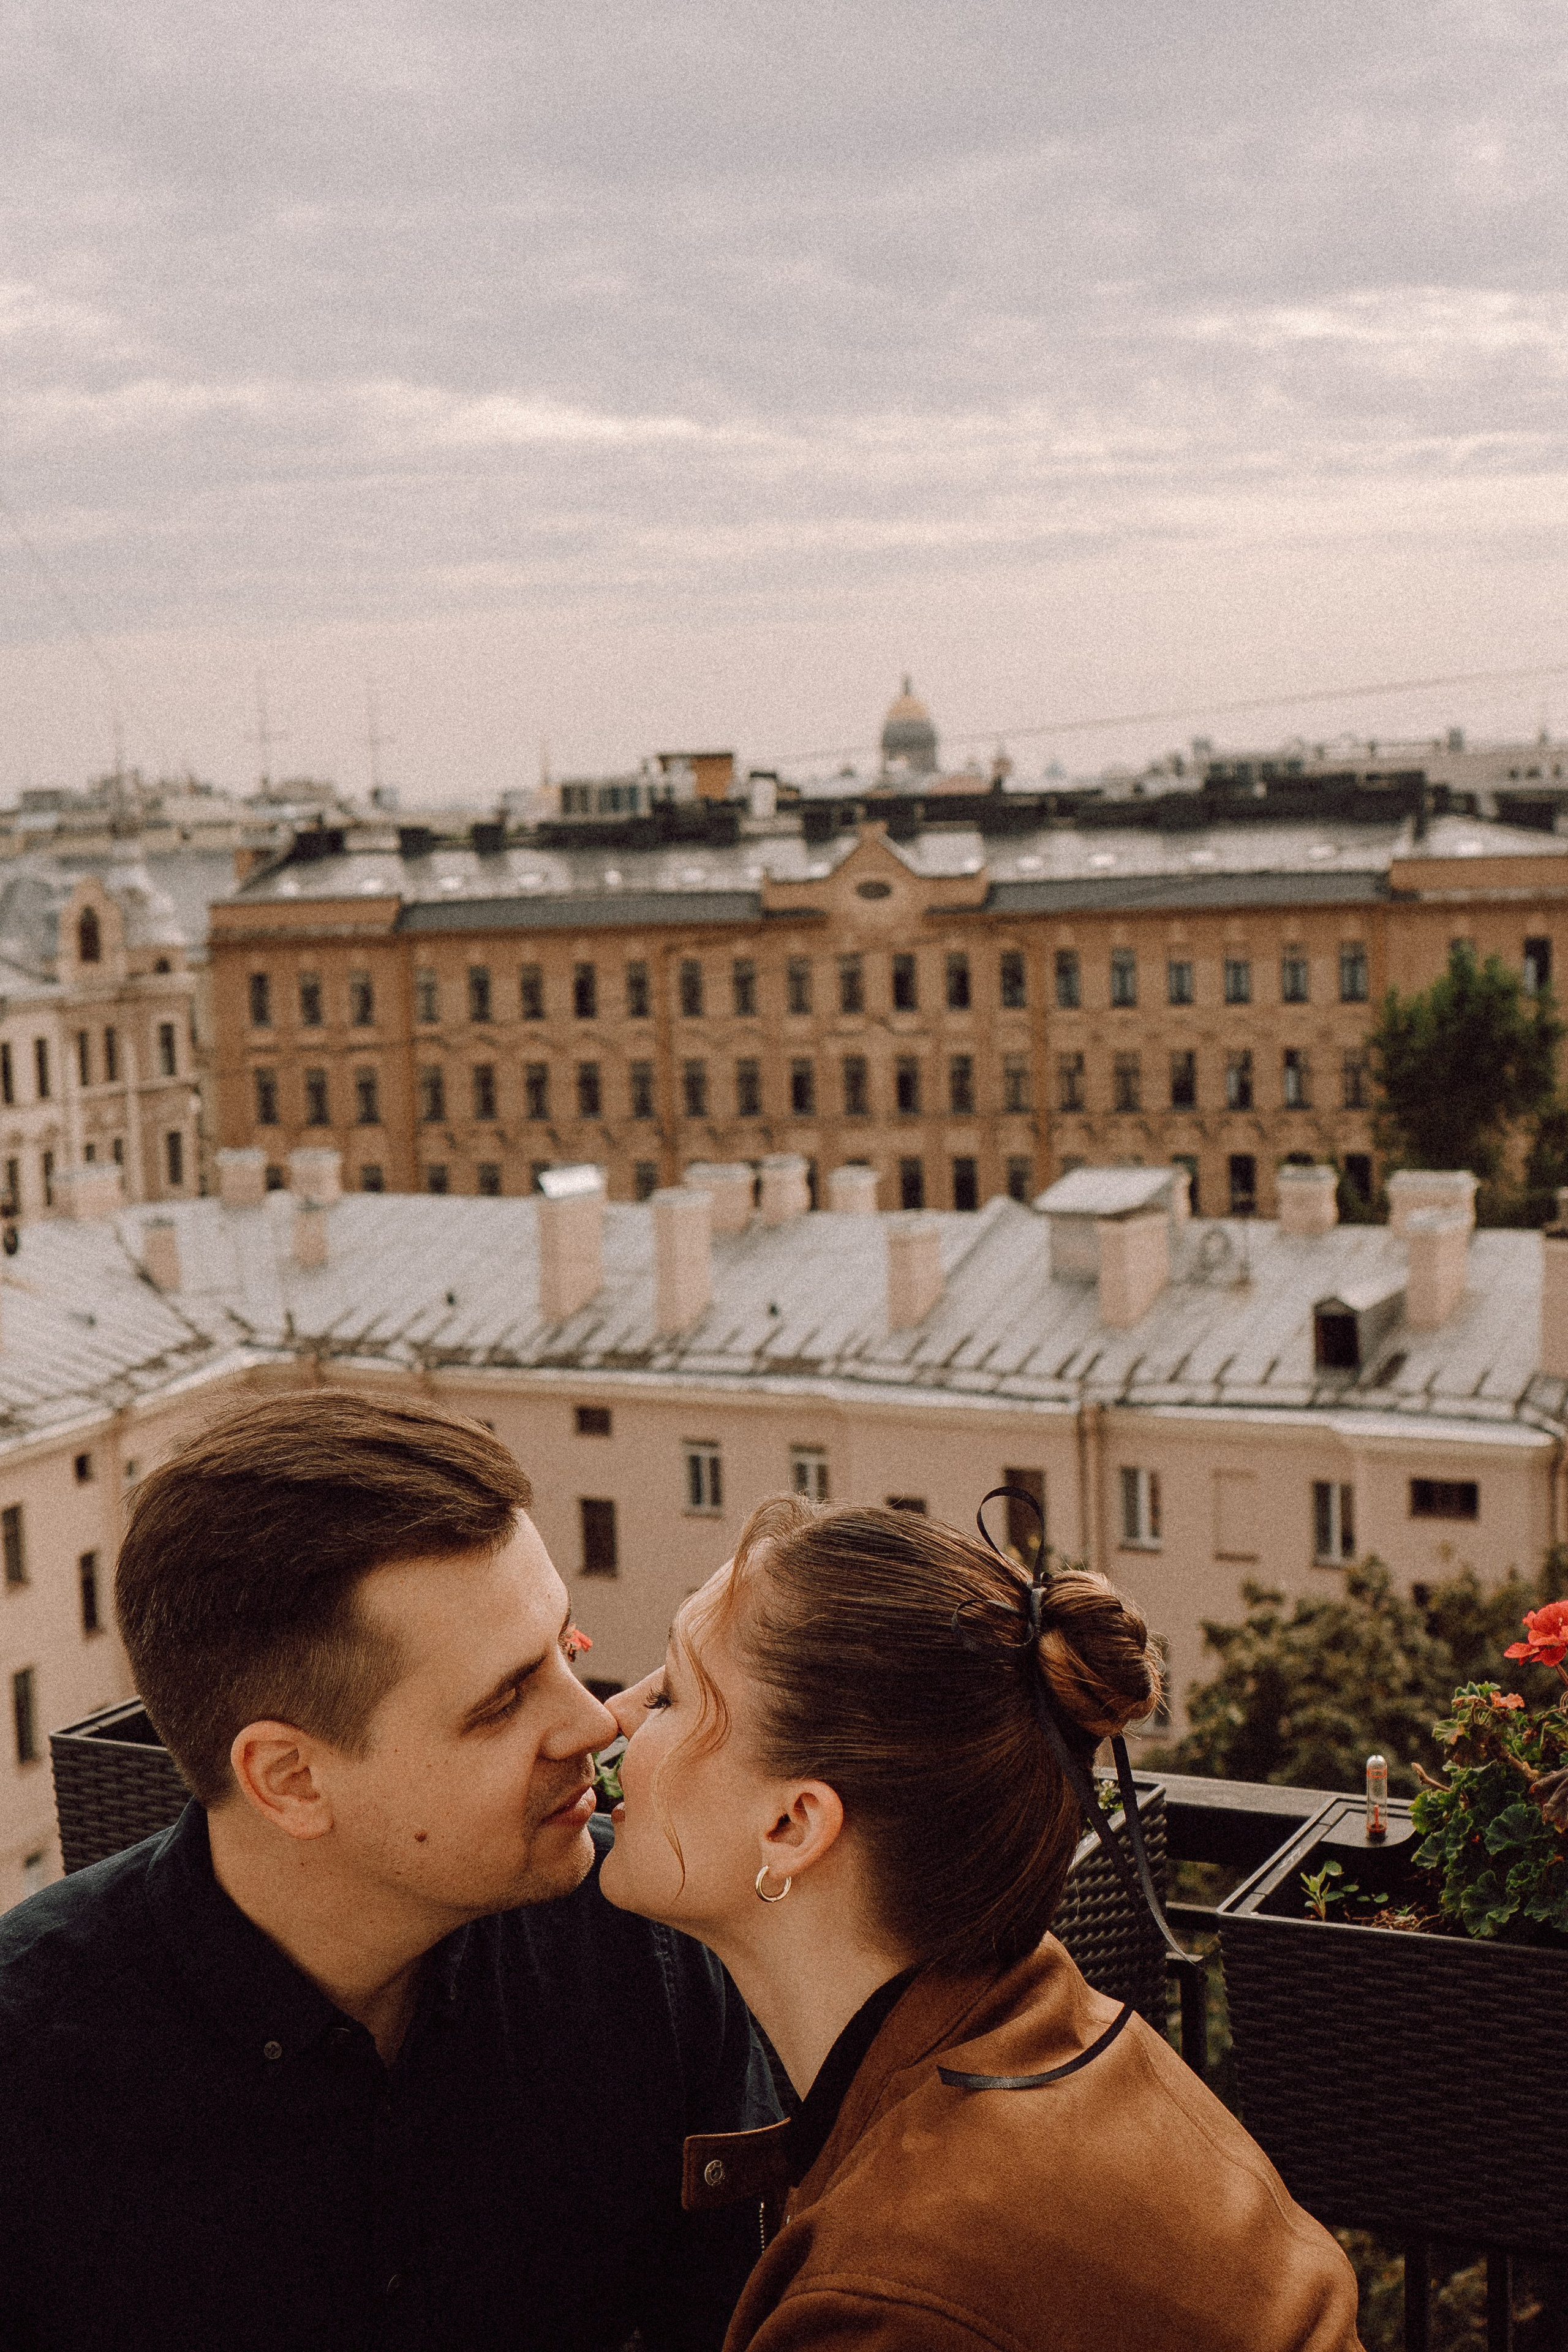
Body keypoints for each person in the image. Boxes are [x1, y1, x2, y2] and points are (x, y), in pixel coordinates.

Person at [0, 1392, 777, 2352]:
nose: (594, 1722)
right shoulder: (29, 2083)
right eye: (502, 1702)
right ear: (289, 1780)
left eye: (564, 1648)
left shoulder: (643, 1951)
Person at [600, 1497, 1364, 2352]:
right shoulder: (1071, 2031)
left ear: (792, 1827)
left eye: (669, 1695)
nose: (613, 1717)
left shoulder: (892, 2298)